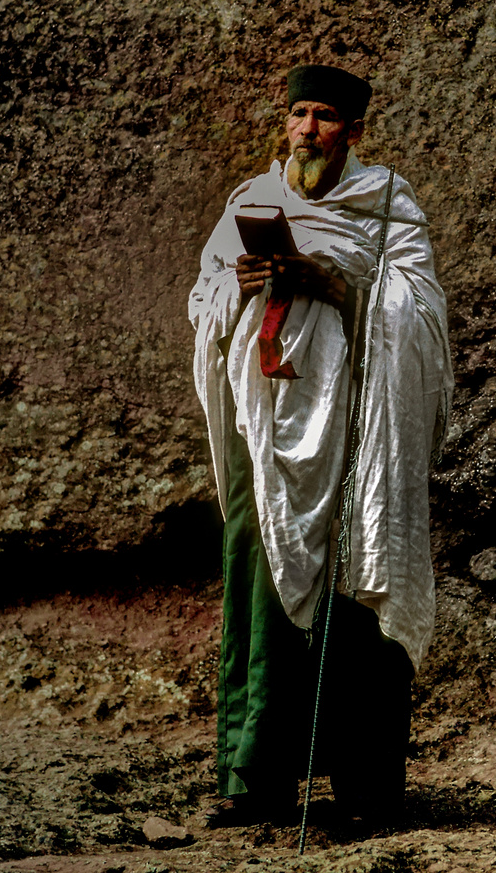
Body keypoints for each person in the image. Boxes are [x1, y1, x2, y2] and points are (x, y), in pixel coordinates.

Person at [189, 63, 453, 827]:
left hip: (353, 429)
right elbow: (202, 302)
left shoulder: (384, 206)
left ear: (354, 131)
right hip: (264, 426)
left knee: (353, 580)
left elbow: (419, 315)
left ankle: (365, 794)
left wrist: (333, 281)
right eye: (299, 113)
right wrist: (239, 285)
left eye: (326, 117)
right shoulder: (252, 200)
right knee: (258, 577)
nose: (307, 128)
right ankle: (254, 783)